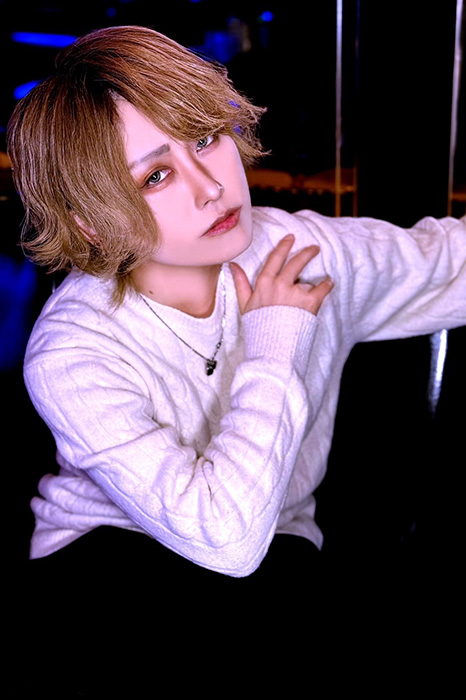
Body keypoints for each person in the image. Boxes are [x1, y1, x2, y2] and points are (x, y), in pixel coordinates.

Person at [7, 24, 466, 694]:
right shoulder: (73, 350)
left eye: (204, 139)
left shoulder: (298, 253)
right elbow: (225, 540)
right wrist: (275, 343)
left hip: (273, 557)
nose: (210, 187)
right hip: (108, 560)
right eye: (156, 175)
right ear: (92, 223)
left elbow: (451, 263)